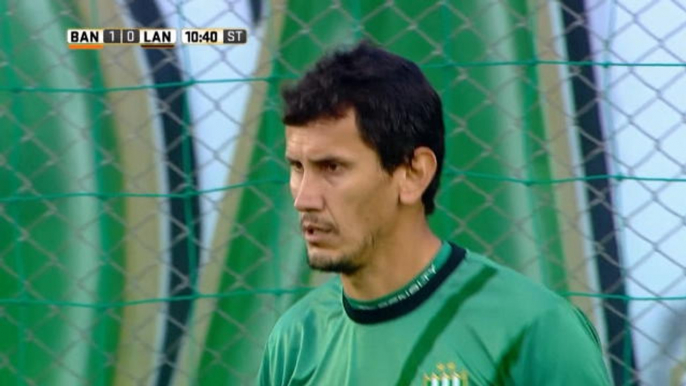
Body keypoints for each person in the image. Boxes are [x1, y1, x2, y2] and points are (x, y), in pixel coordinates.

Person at [258, 41, 611, 386]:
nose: (304, 199)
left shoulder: (535, 331)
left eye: (332, 167)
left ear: (413, 174)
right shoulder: (294, 342)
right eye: (297, 167)